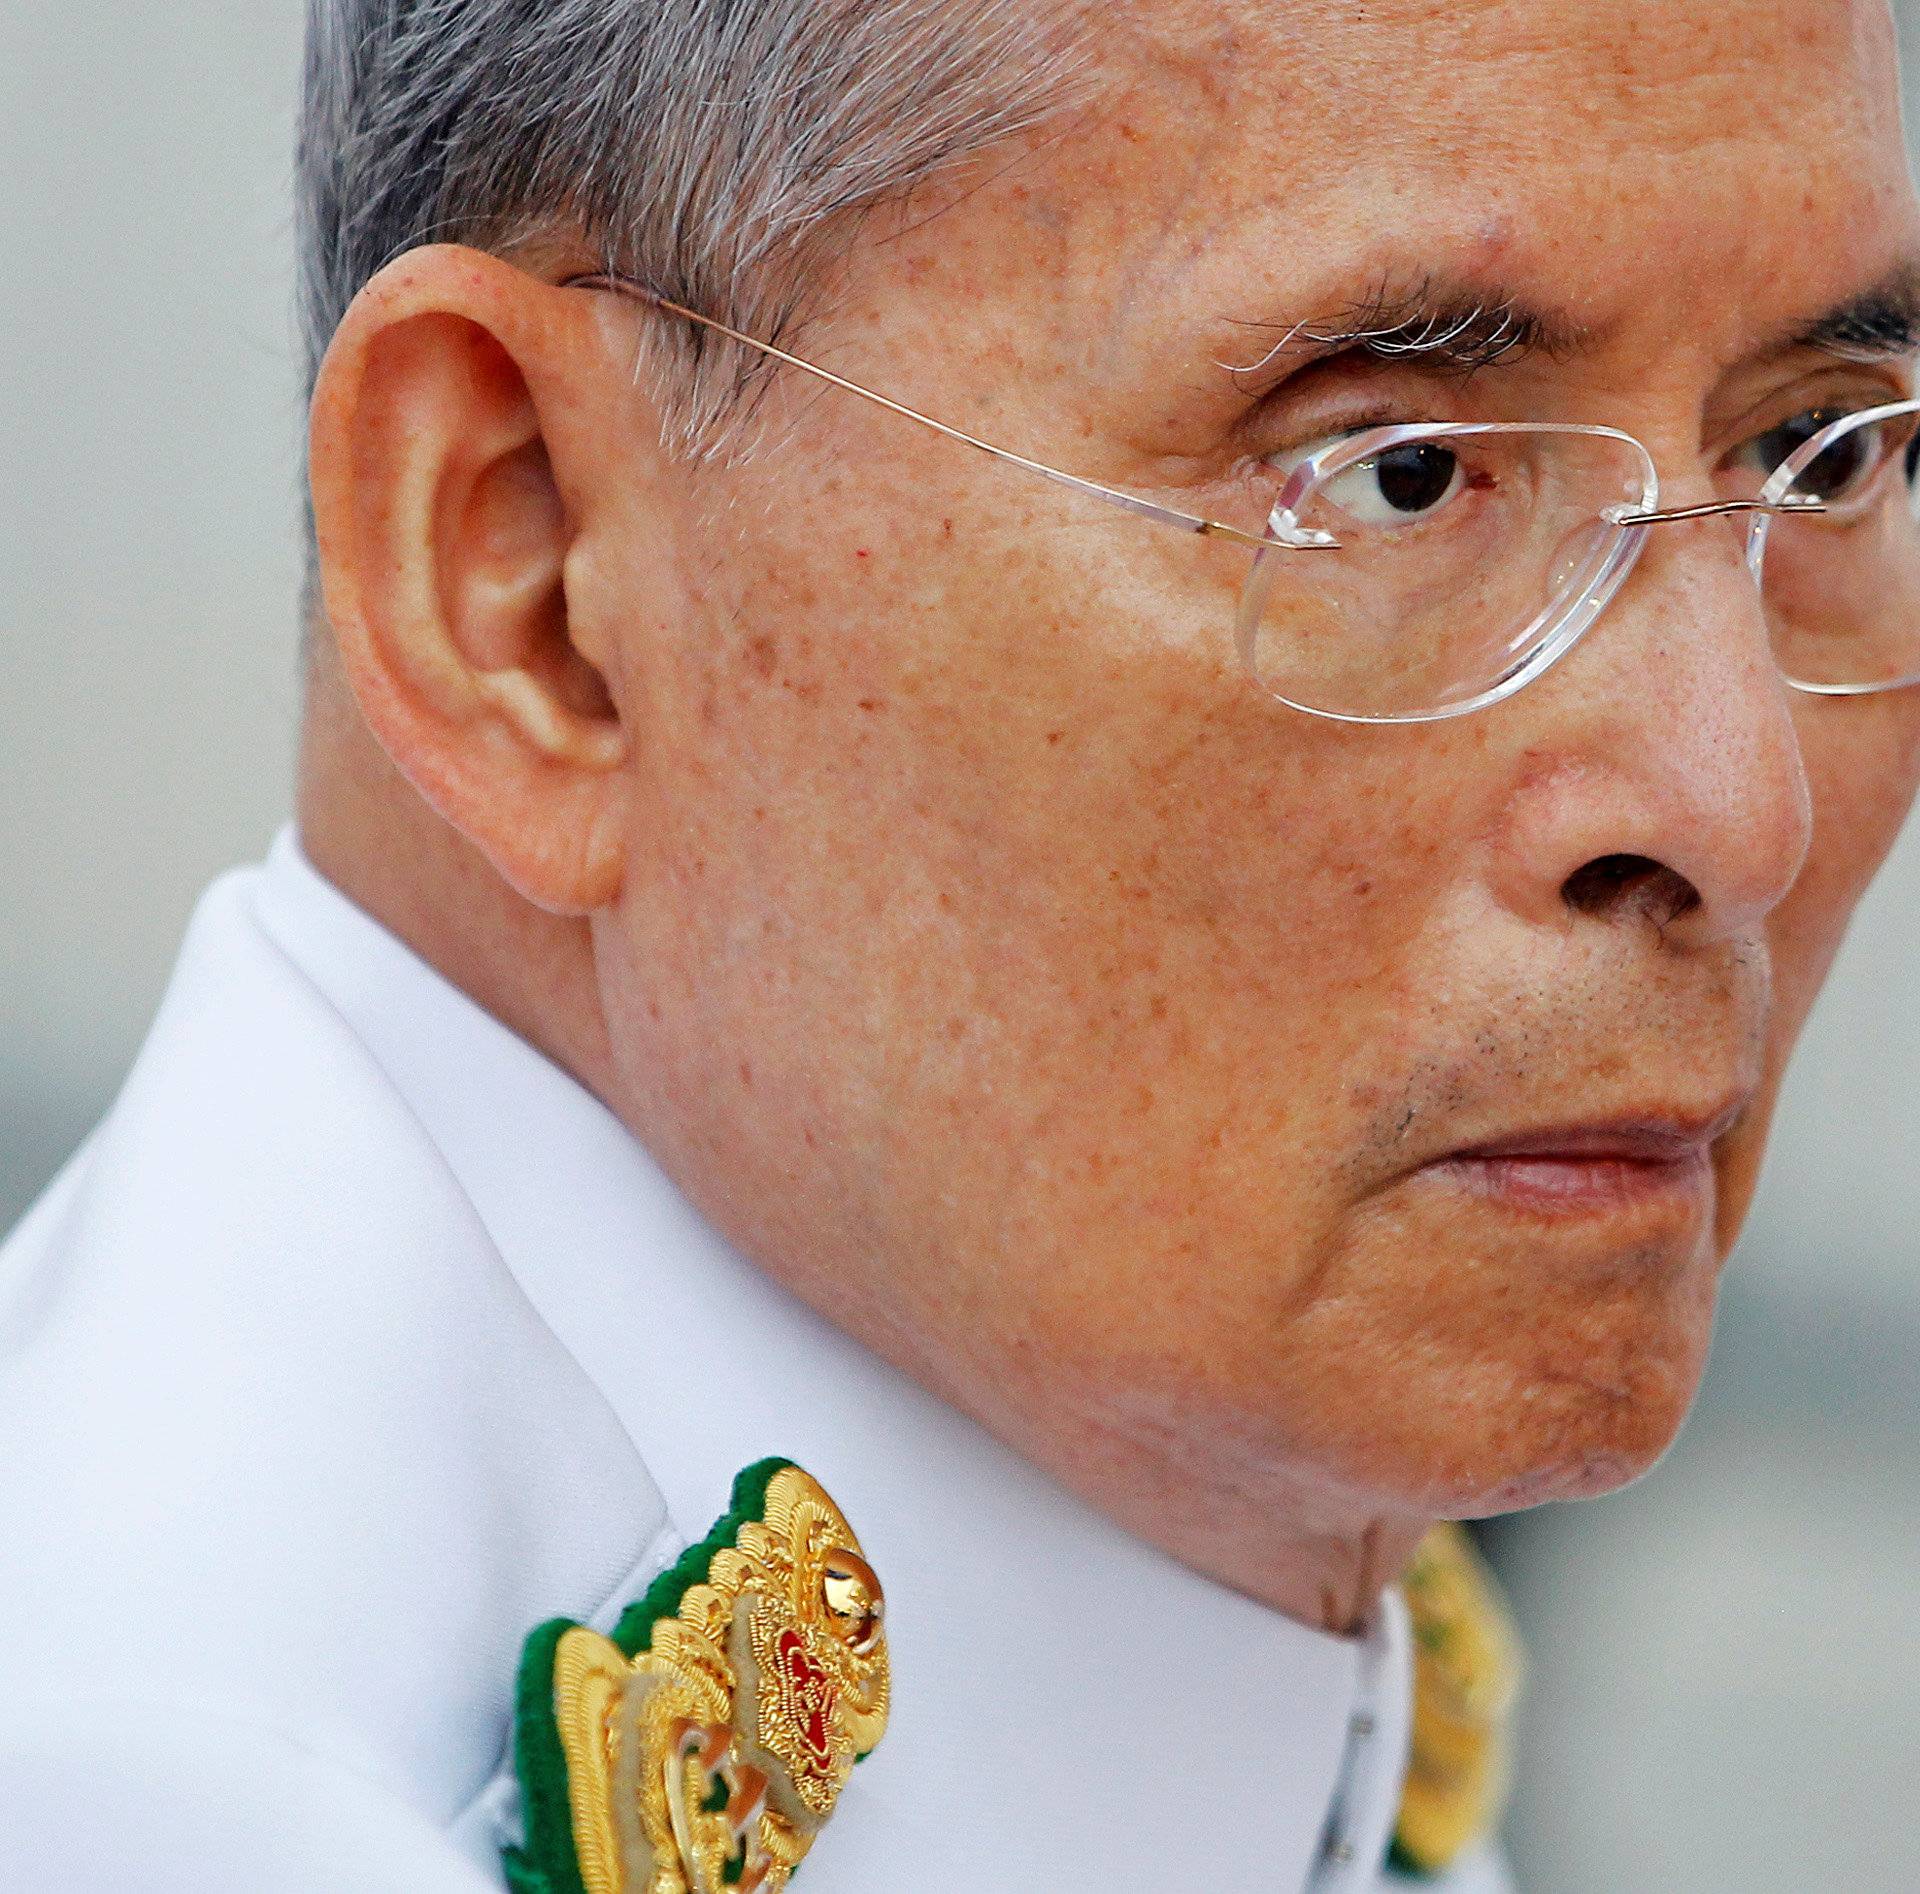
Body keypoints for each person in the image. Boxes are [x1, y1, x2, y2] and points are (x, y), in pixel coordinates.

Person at [5, 0, 1920, 1886]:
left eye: (1826, 455)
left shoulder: (1180, 1563)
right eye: (1394, 474)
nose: (1737, 808)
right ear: (533, 582)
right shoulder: (172, 1801)